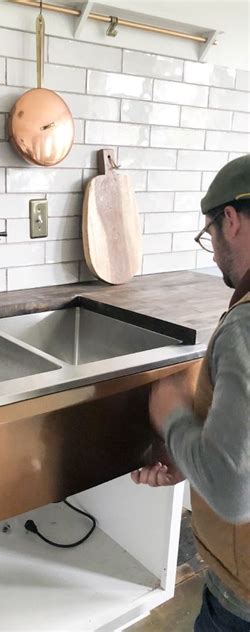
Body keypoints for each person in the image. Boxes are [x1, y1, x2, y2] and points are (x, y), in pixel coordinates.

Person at [131, 154, 250, 631]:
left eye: (211, 237)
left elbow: (233, 489)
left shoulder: (244, 329)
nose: (215, 252)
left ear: (231, 219)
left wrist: (175, 419)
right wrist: (197, 455)